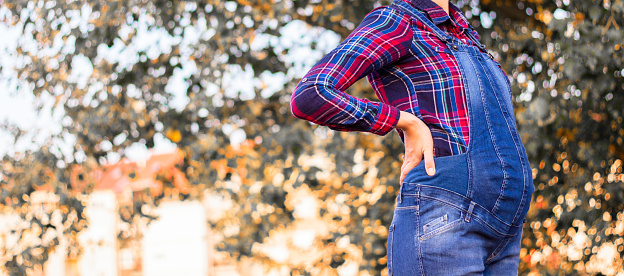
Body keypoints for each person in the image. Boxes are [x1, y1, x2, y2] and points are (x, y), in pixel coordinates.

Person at [290, 0, 534, 274]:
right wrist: (403, 121)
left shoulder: (466, 36)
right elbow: (312, 93)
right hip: (445, 214)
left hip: (506, 227)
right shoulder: (396, 21)